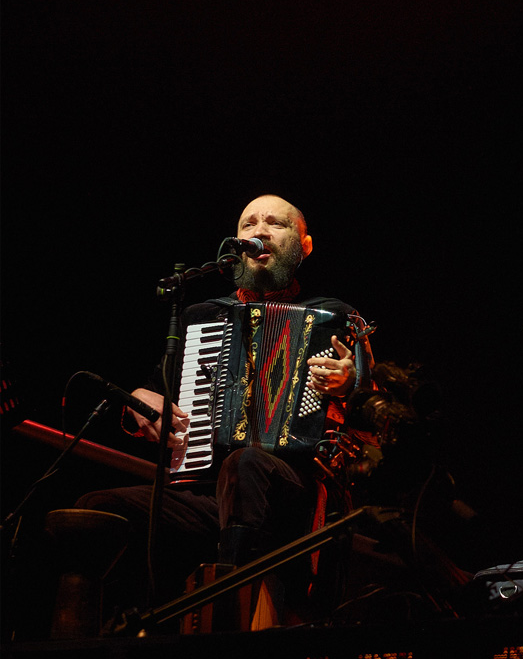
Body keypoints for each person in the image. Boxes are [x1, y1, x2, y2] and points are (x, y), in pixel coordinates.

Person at [76, 194, 371, 623]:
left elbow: (375, 415)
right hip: (210, 495)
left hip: (294, 493)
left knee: (247, 461)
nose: (260, 231)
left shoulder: (334, 316)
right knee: (94, 507)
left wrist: (350, 385)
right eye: (249, 224)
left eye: (276, 223)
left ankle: (223, 629)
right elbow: (152, 393)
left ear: (304, 245)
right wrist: (142, 402)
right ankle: (98, 648)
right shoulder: (204, 317)